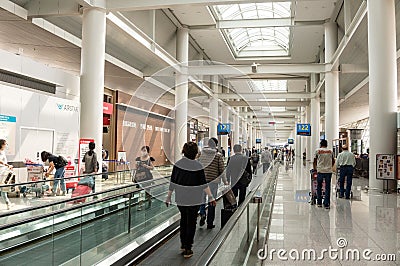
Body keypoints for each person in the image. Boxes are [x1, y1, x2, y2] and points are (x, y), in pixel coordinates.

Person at [165, 142, 216, 258]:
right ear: (195, 153)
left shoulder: (178, 165)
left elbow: (173, 182)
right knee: (192, 221)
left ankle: (183, 244)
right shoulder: (198, 166)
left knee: (184, 219)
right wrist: (211, 197)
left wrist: (168, 197)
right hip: (194, 199)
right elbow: (203, 184)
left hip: (181, 198)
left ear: (184, 151)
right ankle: (188, 248)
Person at [197, 137, 226, 229]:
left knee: (202, 199)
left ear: (208, 144)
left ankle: (202, 213)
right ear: (216, 145)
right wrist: (225, 181)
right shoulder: (218, 155)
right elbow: (221, 170)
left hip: (202, 181)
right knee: (211, 201)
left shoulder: (201, 154)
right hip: (213, 182)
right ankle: (210, 223)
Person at [313, 139, 335, 209]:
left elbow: (315, 160)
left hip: (320, 171)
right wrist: (330, 166)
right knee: (327, 187)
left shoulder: (317, 151)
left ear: (320, 144)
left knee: (319, 186)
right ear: (326, 144)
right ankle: (326, 203)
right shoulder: (330, 151)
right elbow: (333, 160)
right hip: (328, 171)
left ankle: (319, 202)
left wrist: (315, 168)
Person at [134, 146, 155, 210]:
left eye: (145, 150)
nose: (143, 152)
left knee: (147, 192)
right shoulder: (138, 159)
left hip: (147, 178)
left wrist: (146, 166)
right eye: (142, 150)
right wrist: (137, 165)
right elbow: (136, 168)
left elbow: (152, 167)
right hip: (140, 177)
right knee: (140, 192)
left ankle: (149, 201)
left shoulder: (149, 159)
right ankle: (140, 205)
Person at [0, 139, 13, 210]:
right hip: (1, 172)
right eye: (5, 144)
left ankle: (8, 203)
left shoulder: (3, 152)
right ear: (2, 144)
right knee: (3, 189)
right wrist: (7, 165)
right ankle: (8, 203)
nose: (6, 145)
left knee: (3, 189)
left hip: (3, 172)